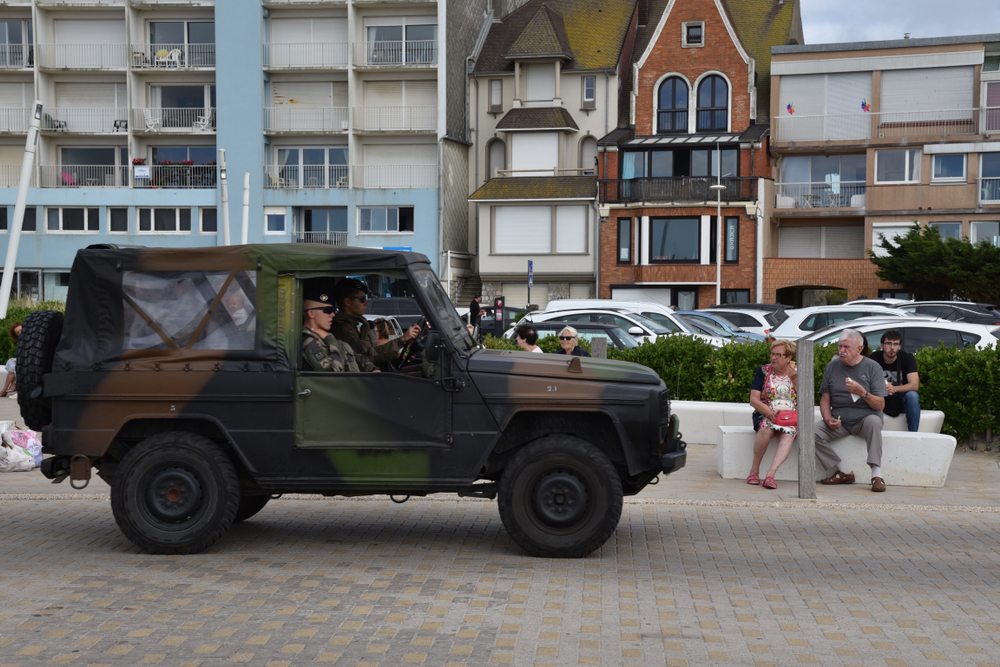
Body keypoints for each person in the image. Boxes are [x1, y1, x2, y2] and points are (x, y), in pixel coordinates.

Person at [815, 328, 888, 492]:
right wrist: (827, 419)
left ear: (859, 349)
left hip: (865, 419)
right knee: (810, 433)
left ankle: (876, 474)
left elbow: (880, 405)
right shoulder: (832, 367)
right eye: (840, 346)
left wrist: (862, 392)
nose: (841, 351)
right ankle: (844, 471)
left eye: (846, 347)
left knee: (874, 421)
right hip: (840, 420)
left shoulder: (872, 367)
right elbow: (825, 399)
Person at [329, 278, 421, 370]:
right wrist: (402, 339)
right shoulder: (341, 328)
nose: (367, 303)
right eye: (362, 299)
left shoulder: (351, 325)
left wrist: (395, 354)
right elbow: (367, 355)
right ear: (347, 302)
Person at [746, 340, 798, 490]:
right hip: (766, 413)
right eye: (772, 354)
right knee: (766, 428)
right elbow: (753, 400)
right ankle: (754, 471)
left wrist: (795, 379)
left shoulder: (798, 372)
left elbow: (807, 398)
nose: (773, 358)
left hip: (790, 417)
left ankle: (770, 475)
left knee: (789, 434)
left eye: (778, 355)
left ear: (789, 357)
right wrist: (768, 412)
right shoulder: (762, 371)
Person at [869, 329, 920, 432]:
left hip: (899, 398)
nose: (892, 348)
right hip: (879, 396)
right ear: (882, 345)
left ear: (900, 346)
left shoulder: (907, 358)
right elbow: (866, 382)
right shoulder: (873, 358)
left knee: (912, 396)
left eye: (896, 344)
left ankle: (913, 435)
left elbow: (914, 385)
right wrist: (882, 389)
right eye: (889, 344)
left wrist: (894, 389)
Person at [2, 322, 22, 398]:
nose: (20, 333)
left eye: (21, 330)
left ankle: (5, 390)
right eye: (18, 332)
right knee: (11, 361)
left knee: (12, 363)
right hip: (23, 360)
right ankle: (12, 386)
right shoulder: (21, 341)